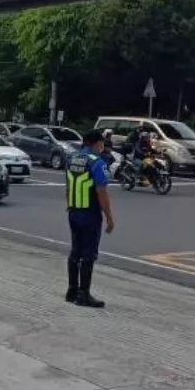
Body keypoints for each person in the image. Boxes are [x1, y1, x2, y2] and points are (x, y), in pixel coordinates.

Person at [64, 130, 114, 308]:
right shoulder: (97, 162)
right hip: (90, 214)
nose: (102, 147)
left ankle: (71, 291)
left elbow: (69, 186)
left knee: (75, 251)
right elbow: (101, 192)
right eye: (101, 144)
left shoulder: (72, 159)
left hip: (74, 212)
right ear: (97, 144)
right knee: (88, 254)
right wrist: (109, 217)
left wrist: (70, 205)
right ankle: (83, 294)